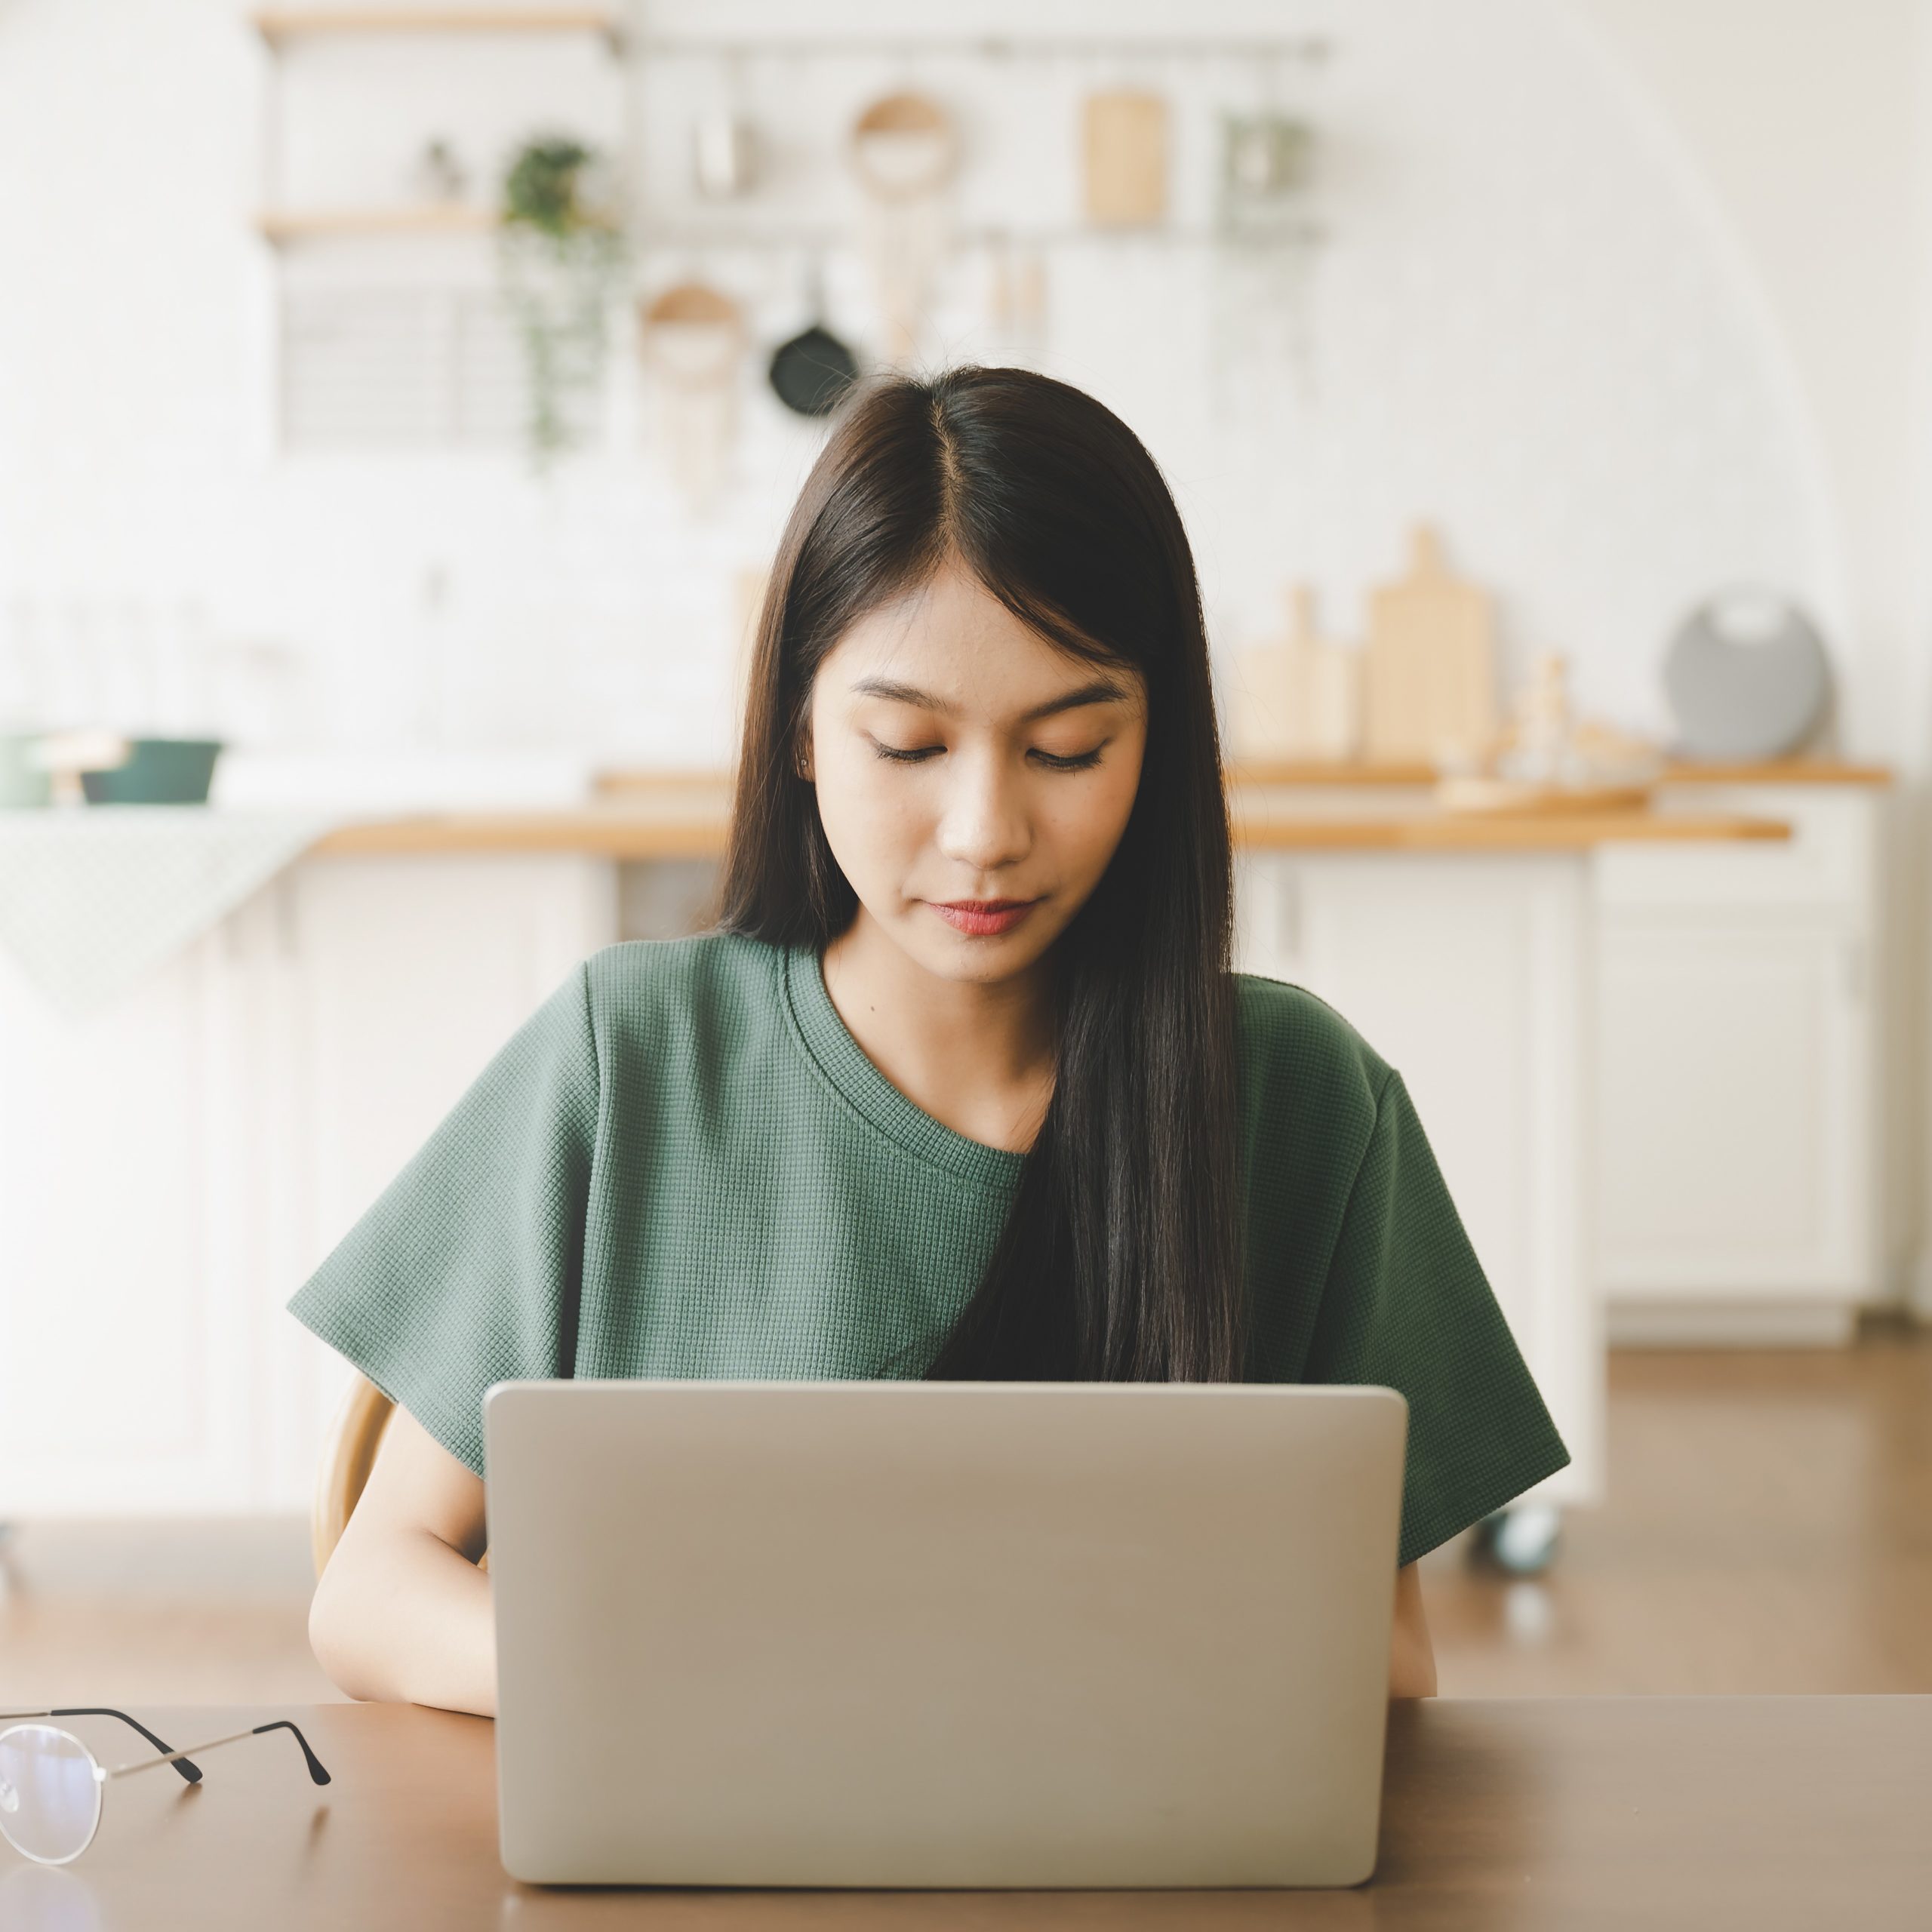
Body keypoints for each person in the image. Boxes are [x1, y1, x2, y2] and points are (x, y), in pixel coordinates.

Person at [294, 366, 1568, 1718]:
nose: (984, 832)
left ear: (1164, 743)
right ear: (796, 725)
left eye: (1069, 749)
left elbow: (1386, 1658)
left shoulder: (1302, 1101)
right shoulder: (630, 1060)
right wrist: (700, 1696)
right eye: (906, 744)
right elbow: (374, 1590)